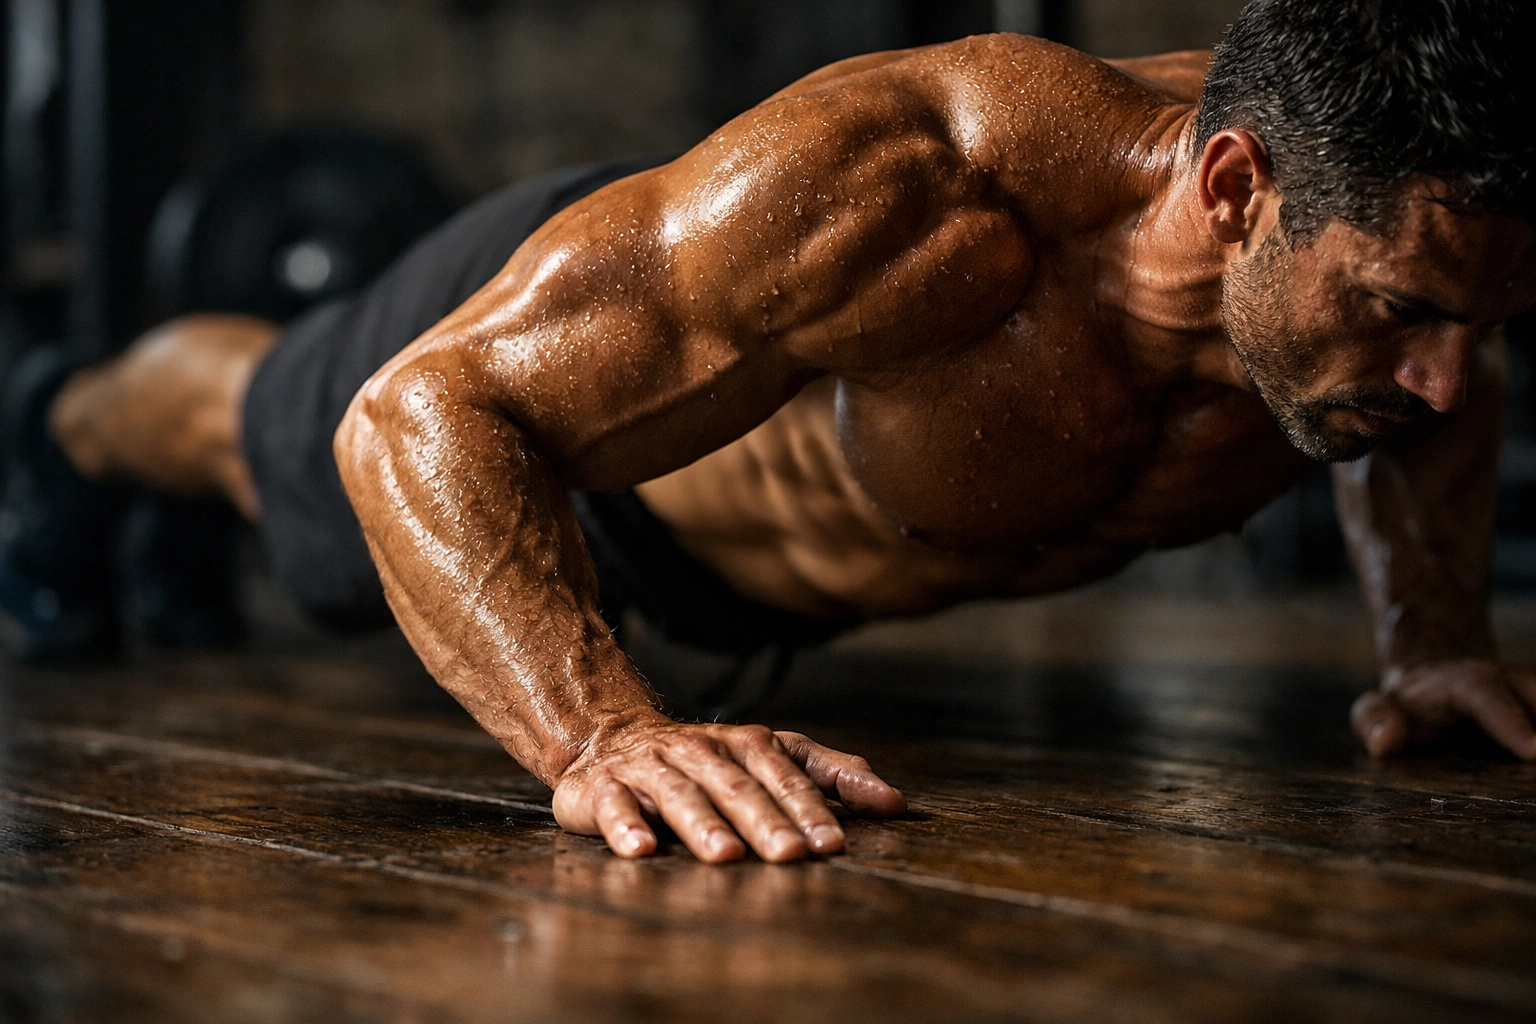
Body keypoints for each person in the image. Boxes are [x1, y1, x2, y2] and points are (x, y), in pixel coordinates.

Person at [3, 0, 1533, 865]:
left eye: (1486, 325)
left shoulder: (1385, 285)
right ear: (1230, 193)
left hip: (746, 545)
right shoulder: (930, 190)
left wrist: (1431, 636)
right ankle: (50, 417)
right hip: (581, 457)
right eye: (1402, 310)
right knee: (237, 429)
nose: (1447, 377)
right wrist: (600, 732)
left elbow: (1442, 406)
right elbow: (421, 413)